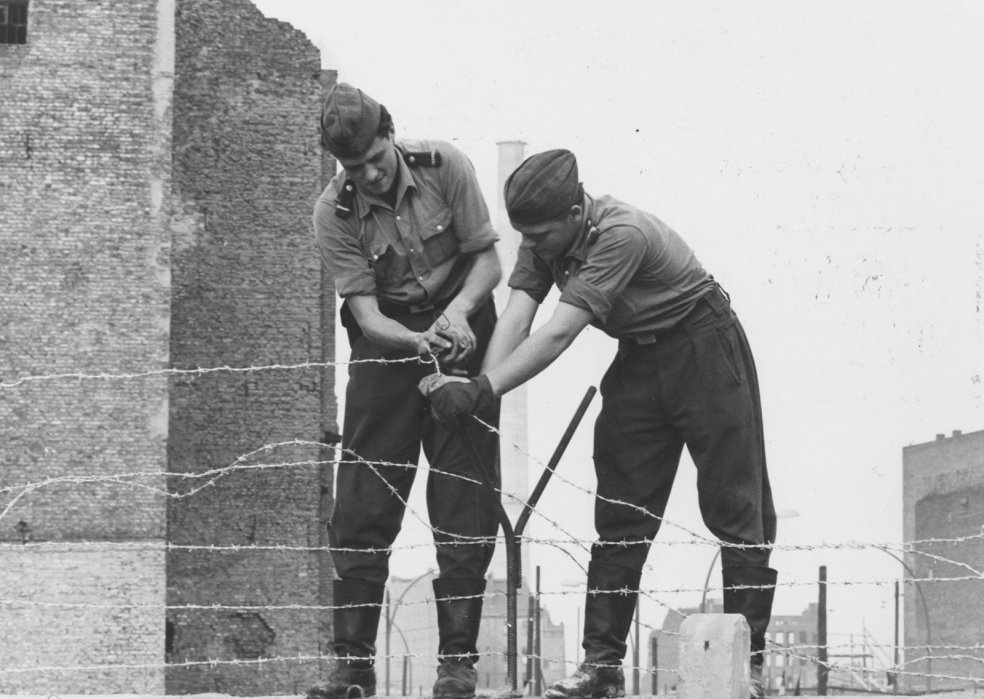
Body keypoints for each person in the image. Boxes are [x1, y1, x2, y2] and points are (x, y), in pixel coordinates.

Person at [419, 149, 778, 699]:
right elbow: (519, 313)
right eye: (526, 237)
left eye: (540, 235)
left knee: (737, 506)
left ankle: (746, 669)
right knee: (620, 511)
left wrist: (481, 389)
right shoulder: (546, 237)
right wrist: (479, 395)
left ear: (573, 212)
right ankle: (602, 668)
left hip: (703, 345)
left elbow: (560, 333)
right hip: (640, 355)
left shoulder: (621, 233)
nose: (533, 247)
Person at [310, 83, 502, 699]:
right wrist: (421, 345)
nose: (367, 173)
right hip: (388, 343)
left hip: (465, 326)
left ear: (391, 136)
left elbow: (488, 262)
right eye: (352, 166)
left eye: (374, 157)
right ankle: (352, 669)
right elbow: (367, 318)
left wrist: (461, 316)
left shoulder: (447, 166)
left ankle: (457, 667)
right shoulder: (331, 212)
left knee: (464, 499)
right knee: (364, 499)